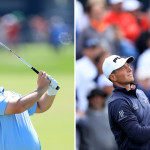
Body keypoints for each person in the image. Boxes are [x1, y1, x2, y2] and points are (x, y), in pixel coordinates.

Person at [0, 71, 58, 150]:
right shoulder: (15, 102)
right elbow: (20, 106)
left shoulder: (10, 94)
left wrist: (51, 91)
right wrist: (41, 88)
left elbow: (40, 106)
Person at [102, 54, 150, 150]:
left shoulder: (140, 93)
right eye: (123, 68)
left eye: (128, 65)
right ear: (113, 77)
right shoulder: (118, 102)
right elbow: (138, 134)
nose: (130, 69)